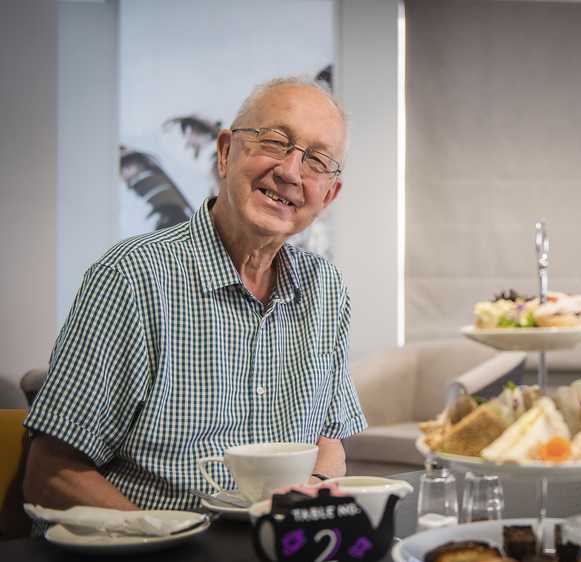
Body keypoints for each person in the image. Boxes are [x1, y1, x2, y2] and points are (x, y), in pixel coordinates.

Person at [23, 77, 368, 511]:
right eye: (275, 142)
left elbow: (329, 438)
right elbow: (51, 473)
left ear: (330, 194)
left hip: (272, 549)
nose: (290, 172)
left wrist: (307, 498)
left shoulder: (326, 290)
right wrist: (161, 541)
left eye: (317, 161)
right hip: (144, 553)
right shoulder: (131, 279)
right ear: (225, 153)